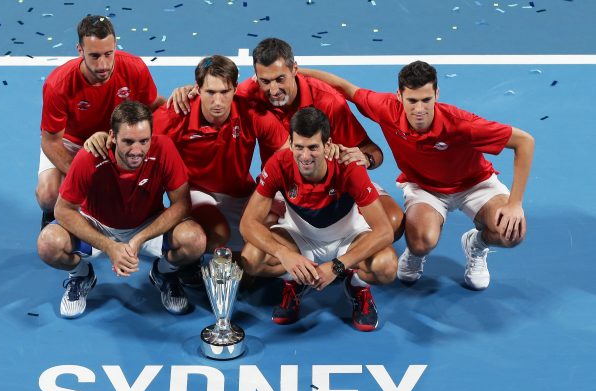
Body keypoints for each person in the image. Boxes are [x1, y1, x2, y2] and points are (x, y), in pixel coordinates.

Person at [299, 61, 534, 289]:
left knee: (511, 233)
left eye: (426, 100)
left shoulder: (462, 124)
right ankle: (415, 254)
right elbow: (345, 88)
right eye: (412, 101)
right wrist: (295, 72)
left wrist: (515, 203)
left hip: (474, 184)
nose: (419, 109)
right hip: (425, 188)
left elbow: (524, 141)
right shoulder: (385, 108)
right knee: (422, 242)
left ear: (437, 94)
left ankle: (476, 244)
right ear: (399, 96)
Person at [167, 39, 404, 241]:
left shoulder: (329, 102)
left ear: (295, 70)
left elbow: (375, 152)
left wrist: (365, 158)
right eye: (265, 81)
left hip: (338, 183)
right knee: (259, 245)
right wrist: (192, 90)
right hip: (284, 186)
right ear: (256, 78)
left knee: (392, 221)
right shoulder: (249, 94)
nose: (273, 89)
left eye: (280, 79)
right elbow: (217, 91)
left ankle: (344, 267)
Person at [84, 55, 290, 286]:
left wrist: (273, 194)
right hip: (196, 191)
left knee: (273, 236)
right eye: (210, 92)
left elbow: (287, 154)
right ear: (197, 89)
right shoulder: (176, 114)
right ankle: (184, 266)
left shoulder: (250, 112)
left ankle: (236, 267)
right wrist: (104, 136)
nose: (218, 101)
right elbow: (133, 137)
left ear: (235, 88)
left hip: (240, 191)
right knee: (218, 234)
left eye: (225, 91)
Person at [36, 101, 206, 319]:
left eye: (144, 141)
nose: (137, 150)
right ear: (112, 137)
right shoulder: (89, 157)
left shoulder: (163, 149)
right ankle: (81, 275)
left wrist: (138, 240)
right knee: (48, 244)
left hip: (147, 224)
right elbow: (63, 210)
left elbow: (182, 204)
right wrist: (109, 246)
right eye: (128, 141)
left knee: (195, 240)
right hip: (97, 226)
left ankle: (164, 273)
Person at [240, 107, 397, 331]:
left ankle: (356, 284)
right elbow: (248, 224)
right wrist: (284, 255)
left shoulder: (348, 166)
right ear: (290, 143)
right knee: (251, 259)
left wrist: (337, 267)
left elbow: (384, 231)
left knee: (387, 266)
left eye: (313, 147)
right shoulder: (279, 163)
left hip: (348, 239)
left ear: (327, 144)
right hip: (299, 239)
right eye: (299, 147)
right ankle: (294, 278)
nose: (305, 156)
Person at [36, 15, 165, 229]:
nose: (103, 64)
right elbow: (50, 141)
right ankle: (53, 215)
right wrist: (81, 174)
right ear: (80, 50)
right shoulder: (57, 84)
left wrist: (183, 103)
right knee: (47, 195)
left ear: (115, 45)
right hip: (71, 143)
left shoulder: (135, 68)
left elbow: (154, 107)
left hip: (115, 141)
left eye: (108, 53)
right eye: (94, 56)